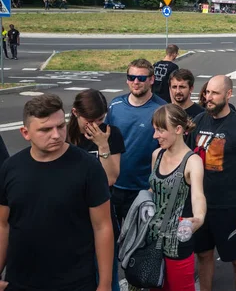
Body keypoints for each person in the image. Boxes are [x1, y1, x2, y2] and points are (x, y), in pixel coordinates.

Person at [0, 94, 113, 291]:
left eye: (60, 126)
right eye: (45, 129)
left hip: (74, 283)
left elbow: (102, 227)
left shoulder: (88, 168)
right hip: (20, 282)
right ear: (25, 133)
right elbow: (2, 225)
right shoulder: (10, 168)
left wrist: (105, 284)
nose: (56, 134)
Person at [190, 75, 236, 291]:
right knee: (203, 255)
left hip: (229, 207)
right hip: (201, 205)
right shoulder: (199, 121)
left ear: (228, 95)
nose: (208, 97)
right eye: (207, 92)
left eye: (215, 93)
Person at [67, 89, 125, 291]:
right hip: (71, 221)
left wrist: (103, 147)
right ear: (75, 113)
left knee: (106, 278)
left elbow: (110, 178)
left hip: (102, 217)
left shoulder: (111, 134)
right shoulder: (64, 137)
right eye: (89, 120)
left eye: (100, 119)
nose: (95, 125)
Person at [147, 104, 207, 291]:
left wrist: (199, 218)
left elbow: (198, 196)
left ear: (178, 129)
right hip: (151, 240)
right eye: (155, 130)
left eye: (160, 130)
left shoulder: (192, 161)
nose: (155, 136)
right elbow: (153, 190)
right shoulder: (156, 155)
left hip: (177, 244)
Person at [105, 59, 166, 223]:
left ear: (152, 80)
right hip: (113, 187)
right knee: (113, 240)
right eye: (131, 77)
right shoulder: (115, 105)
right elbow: (104, 141)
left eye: (141, 78)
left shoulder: (162, 110)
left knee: (139, 243)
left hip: (144, 190)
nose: (135, 82)